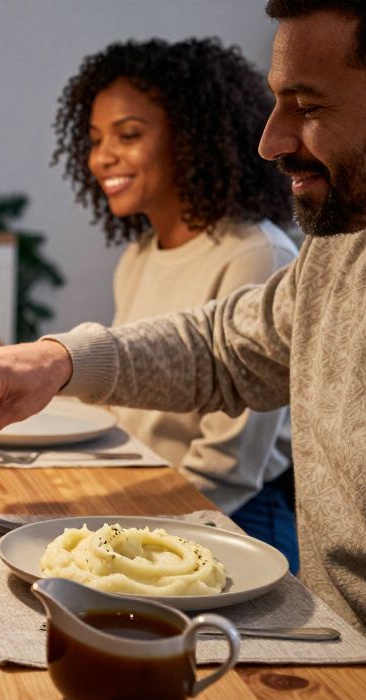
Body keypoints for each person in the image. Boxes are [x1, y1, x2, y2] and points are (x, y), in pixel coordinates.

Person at [0, 0, 366, 698]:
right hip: (310, 643)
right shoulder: (340, 257)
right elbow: (224, 349)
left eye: (307, 107)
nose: (272, 141)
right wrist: (58, 359)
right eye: (274, 104)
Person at [51, 37, 299, 564]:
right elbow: (127, 413)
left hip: (231, 517)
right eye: (95, 139)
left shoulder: (255, 255)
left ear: (192, 138)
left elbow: (229, 468)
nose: (102, 157)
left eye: (129, 135)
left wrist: (115, 540)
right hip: (150, 497)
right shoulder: (140, 255)